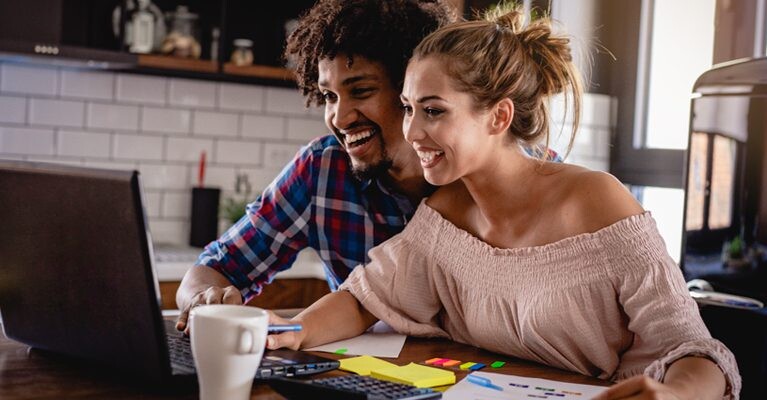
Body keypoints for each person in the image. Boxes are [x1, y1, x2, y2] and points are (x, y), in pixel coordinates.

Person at [265, 6, 741, 400]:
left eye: (433, 111)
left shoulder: (597, 202)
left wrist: (675, 396)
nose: (411, 131)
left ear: (499, 117)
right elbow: (364, 300)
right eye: (409, 108)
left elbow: (697, 352)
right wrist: (296, 330)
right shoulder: (444, 215)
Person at [174, 0, 457, 332]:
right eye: (329, 96)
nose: (339, 118)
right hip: (361, 377)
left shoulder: (470, 174)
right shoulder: (321, 170)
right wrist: (202, 299)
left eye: (361, 91)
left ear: (412, 89)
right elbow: (215, 267)